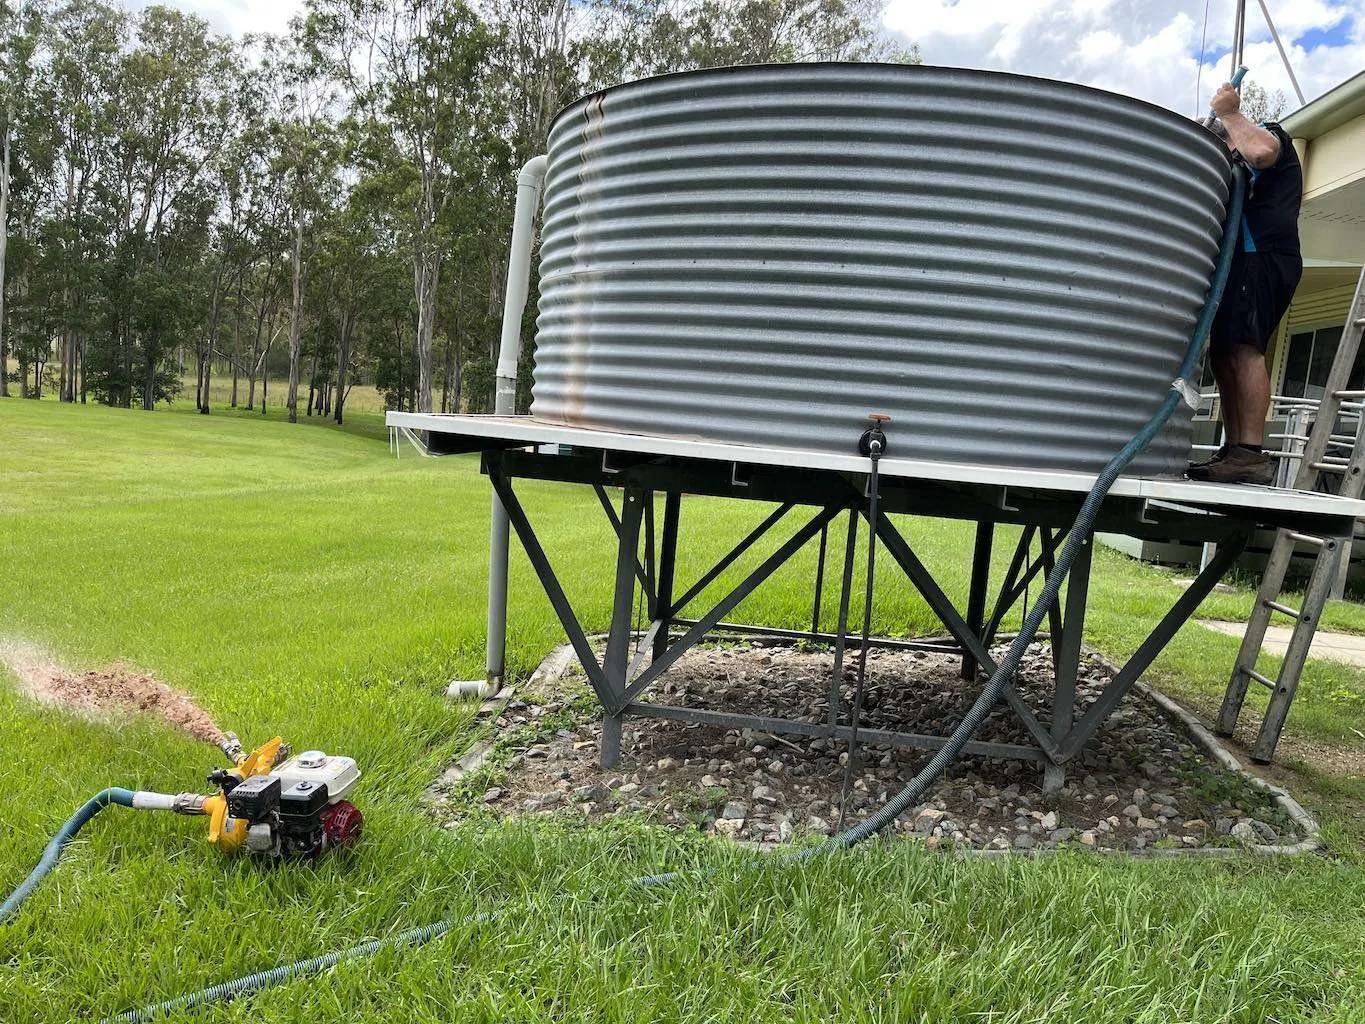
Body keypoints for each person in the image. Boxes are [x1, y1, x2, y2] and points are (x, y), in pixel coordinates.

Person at [1187, 81, 1303, 485]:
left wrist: (1230, 113)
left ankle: (1250, 452)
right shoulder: (1236, 165)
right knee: (1224, 352)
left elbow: (1261, 152)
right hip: (1241, 265)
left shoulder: (1270, 138)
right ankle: (1236, 449)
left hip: (1264, 257)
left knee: (1244, 348)